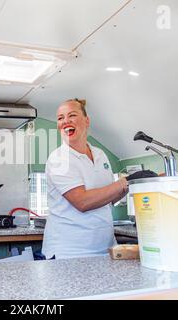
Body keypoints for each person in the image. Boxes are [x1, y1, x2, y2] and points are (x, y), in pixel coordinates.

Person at [41, 99, 129, 259]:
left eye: (71, 115)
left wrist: (134, 183)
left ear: (86, 121)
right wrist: (122, 183)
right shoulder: (59, 159)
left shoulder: (100, 154)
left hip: (106, 249)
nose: (65, 121)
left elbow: (109, 197)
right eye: (60, 118)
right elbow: (82, 202)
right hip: (69, 253)